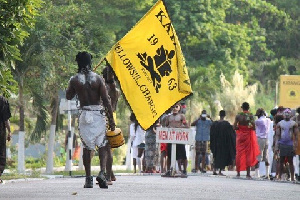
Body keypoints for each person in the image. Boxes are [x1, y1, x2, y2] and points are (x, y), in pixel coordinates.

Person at [66, 51, 115, 188]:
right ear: (90, 62)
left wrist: (76, 88)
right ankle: (102, 173)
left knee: (87, 147)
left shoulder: (74, 79)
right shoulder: (98, 78)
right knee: (103, 144)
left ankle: (88, 179)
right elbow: (106, 100)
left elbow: (69, 96)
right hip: (98, 114)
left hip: (84, 114)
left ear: (78, 63)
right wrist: (111, 120)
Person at [102, 62, 120, 185]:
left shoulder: (114, 90)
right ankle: (111, 174)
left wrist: (110, 70)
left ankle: (108, 177)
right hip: (102, 118)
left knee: (107, 148)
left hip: (109, 118)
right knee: (104, 149)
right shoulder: (101, 88)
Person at [233, 102, 260, 179]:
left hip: (240, 136)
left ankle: (238, 173)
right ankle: (248, 174)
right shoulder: (250, 115)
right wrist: (247, 128)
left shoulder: (238, 116)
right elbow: (254, 127)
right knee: (248, 154)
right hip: (248, 136)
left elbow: (234, 127)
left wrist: (240, 128)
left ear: (242, 108)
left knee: (239, 153)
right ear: (248, 108)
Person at [164, 102, 189, 176]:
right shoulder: (168, 117)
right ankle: (168, 170)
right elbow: (166, 125)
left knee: (183, 155)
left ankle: (184, 170)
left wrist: (181, 128)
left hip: (179, 138)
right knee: (169, 155)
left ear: (179, 107)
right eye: (173, 107)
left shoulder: (182, 116)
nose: (174, 108)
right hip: (171, 138)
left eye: (176, 106)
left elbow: (186, 126)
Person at [210, 110, 236, 176]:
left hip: (216, 143)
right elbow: (231, 134)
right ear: (224, 115)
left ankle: (214, 170)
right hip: (223, 144)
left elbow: (212, 134)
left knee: (216, 156)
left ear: (219, 115)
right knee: (222, 157)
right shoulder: (226, 124)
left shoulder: (215, 124)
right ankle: (220, 171)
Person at [275, 108, 298, 181]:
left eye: (288, 113)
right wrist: (276, 146)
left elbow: (296, 135)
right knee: (281, 160)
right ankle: (279, 177)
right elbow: (277, 136)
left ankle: (292, 177)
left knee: (290, 161)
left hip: (290, 144)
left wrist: (295, 145)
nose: (287, 115)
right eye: (285, 113)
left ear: (290, 114)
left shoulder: (293, 123)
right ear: (283, 115)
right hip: (282, 143)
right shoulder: (280, 123)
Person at [254, 108, 271, 178]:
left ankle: (257, 174)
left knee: (258, 156)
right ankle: (267, 174)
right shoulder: (268, 120)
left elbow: (252, 126)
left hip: (259, 139)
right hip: (266, 139)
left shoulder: (258, 121)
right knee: (266, 157)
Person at [0, 95, 11, 184]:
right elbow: (6, 119)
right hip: (0, 132)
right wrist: (9, 131)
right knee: (1, 153)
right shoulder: (3, 101)